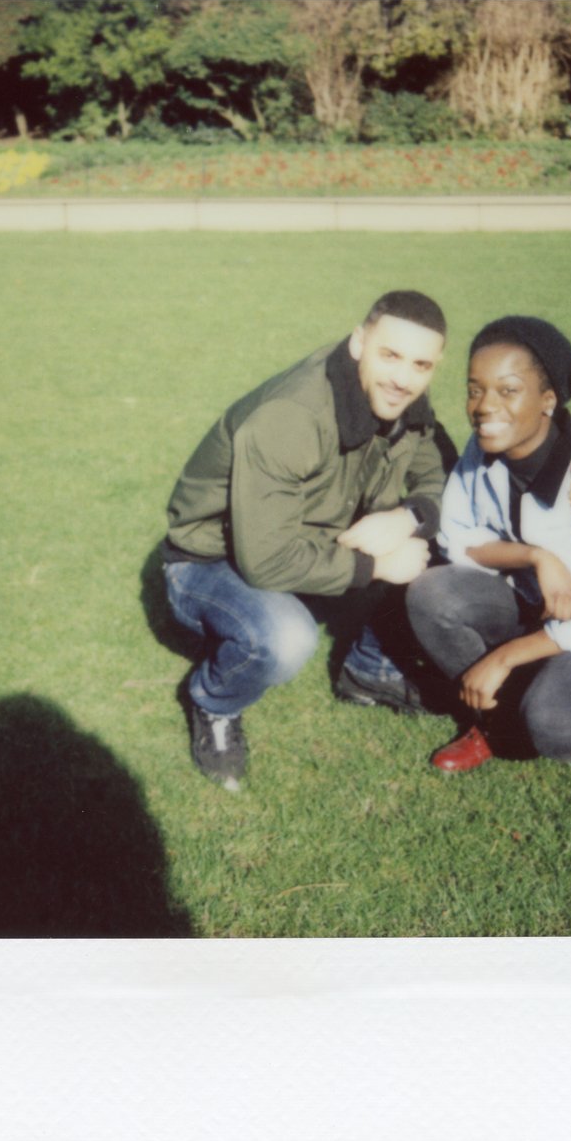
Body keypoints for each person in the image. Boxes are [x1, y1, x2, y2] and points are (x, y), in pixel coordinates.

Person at [162, 290, 457, 790]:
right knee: (285, 639)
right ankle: (213, 701)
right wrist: (376, 568)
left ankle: (367, 669)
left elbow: (441, 468)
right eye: (390, 355)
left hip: (304, 538)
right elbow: (266, 562)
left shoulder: (401, 395)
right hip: (210, 561)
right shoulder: (291, 417)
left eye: (421, 364)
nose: (404, 378)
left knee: (441, 541)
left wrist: (409, 515)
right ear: (359, 342)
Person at [405, 316, 571, 772]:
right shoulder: (484, 447)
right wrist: (536, 556)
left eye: (508, 390)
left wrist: (505, 657)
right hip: (530, 605)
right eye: (475, 389)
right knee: (433, 593)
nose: (484, 407)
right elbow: (458, 539)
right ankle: (494, 723)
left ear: (548, 400)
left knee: (558, 726)